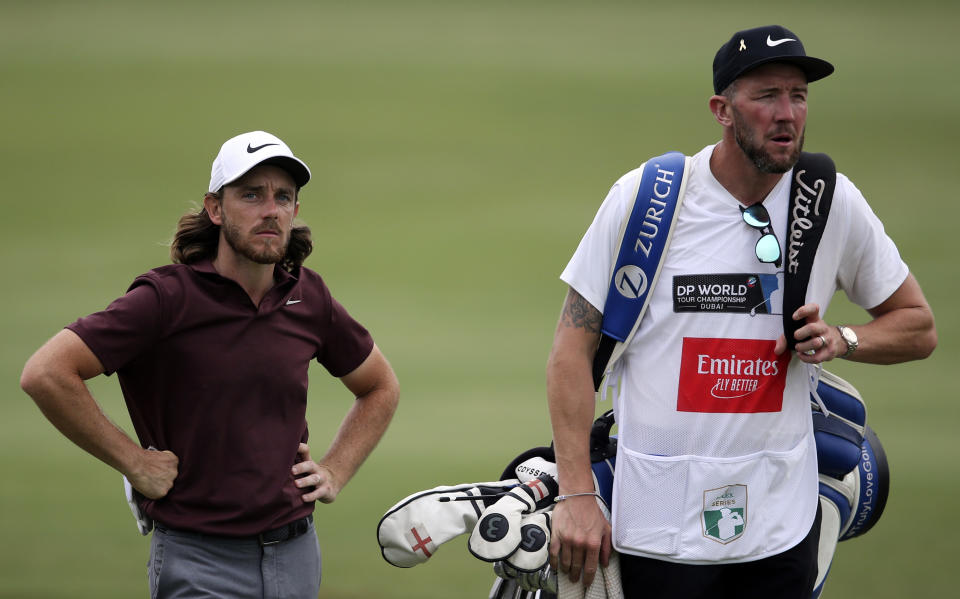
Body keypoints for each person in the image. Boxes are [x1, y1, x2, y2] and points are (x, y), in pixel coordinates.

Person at [545, 25, 936, 598]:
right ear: (722, 110)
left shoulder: (827, 199)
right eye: (767, 96)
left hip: (780, 528)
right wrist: (576, 495)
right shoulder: (647, 199)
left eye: (798, 96)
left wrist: (843, 339)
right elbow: (569, 352)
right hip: (656, 524)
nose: (787, 114)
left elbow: (918, 325)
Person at [20, 130, 400, 599]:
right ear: (215, 209)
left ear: (295, 212)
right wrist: (133, 461)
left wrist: (336, 470)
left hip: (296, 555)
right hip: (199, 560)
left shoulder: (307, 295)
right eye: (251, 194)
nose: (270, 210)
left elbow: (380, 386)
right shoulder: (167, 299)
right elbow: (47, 373)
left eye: (283, 197)